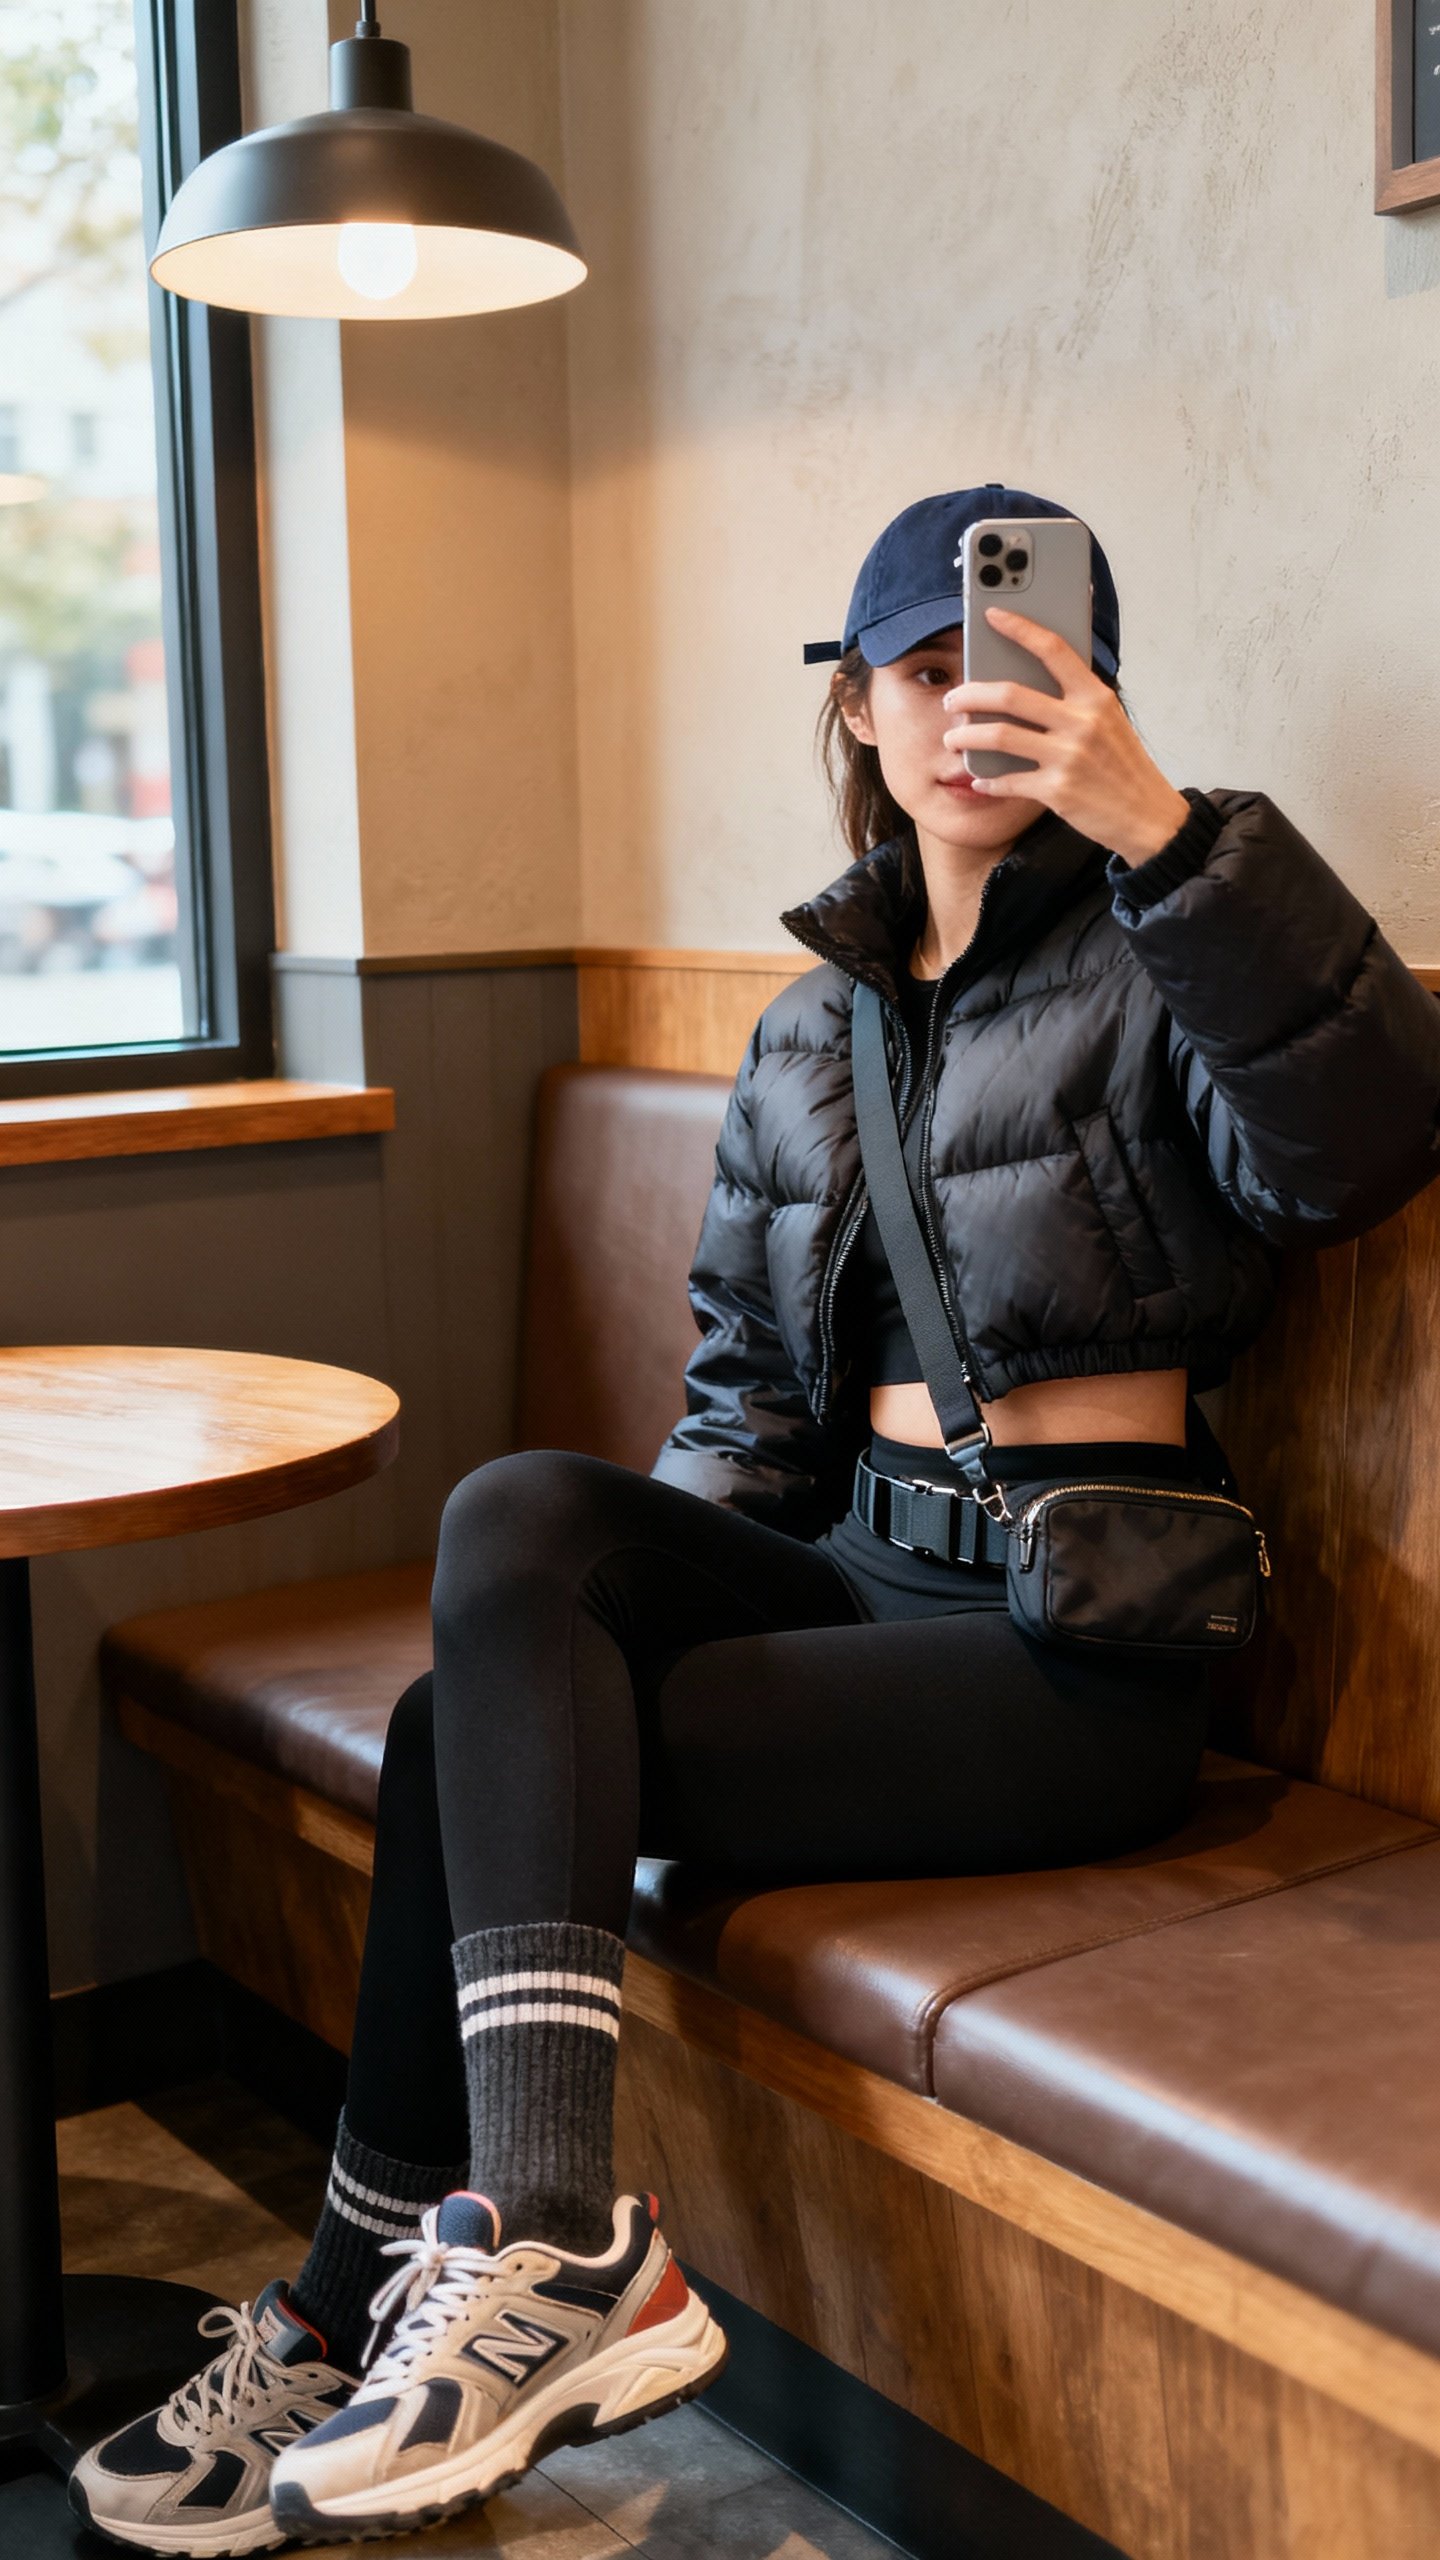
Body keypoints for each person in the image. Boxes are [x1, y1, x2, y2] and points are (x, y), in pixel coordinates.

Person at [72, 483, 1440, 2554]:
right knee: (511, 1580)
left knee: (482, 1728)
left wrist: (1175, 831)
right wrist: (603, 1637)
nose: (971, 709)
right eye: (925, 670)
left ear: (1098, 697)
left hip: (1073, 1644)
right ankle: (501, 2251)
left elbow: (1363, 1142)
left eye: (1026, 670)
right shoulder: (807, 1024)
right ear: (860, 713)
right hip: (854, 1571)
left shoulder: (1170, 944)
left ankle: (419, 2279)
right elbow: (743, 1407)